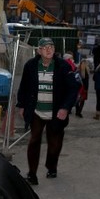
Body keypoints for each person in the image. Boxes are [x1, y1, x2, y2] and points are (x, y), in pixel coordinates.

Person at [16, 37, 80, 185]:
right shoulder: (31, 66)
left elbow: (73, 88)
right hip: (37, 111)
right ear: (39, 50)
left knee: (54, 144)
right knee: (34, 140)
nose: (49, 49)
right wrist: (22, 105)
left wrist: (65, 108)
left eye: (51, 46)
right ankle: (32, 174)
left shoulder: (63, 66)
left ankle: (51, 166)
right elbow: (24, 87)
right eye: (45, 47)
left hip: (55, 112)